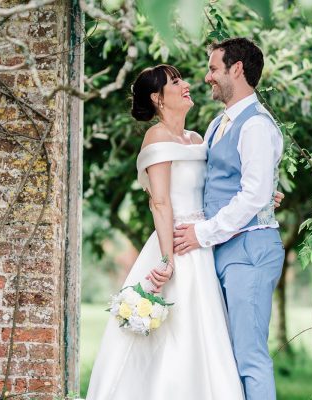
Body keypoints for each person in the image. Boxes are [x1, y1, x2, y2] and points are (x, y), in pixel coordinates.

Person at [85, 64, 245, 400]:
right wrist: (167, 260)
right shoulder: (156, 137)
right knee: (175, 338)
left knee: (206, 334)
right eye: (175, 82)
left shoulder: (197, 139)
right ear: (158, 98)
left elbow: (215, 191)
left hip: (201, 244)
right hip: (172, 246)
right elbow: (160, 203)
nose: (186, 84)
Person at [173, 38, 286, 400]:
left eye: (213, 68)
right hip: (222, 250)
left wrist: (201, 233)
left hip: (249, 251)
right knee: (221, 356)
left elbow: (253, 195)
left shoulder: (255, 125)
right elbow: (240, 185)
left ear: (236, 69)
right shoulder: (217, 123)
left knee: (249, 357)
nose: (206, 77)